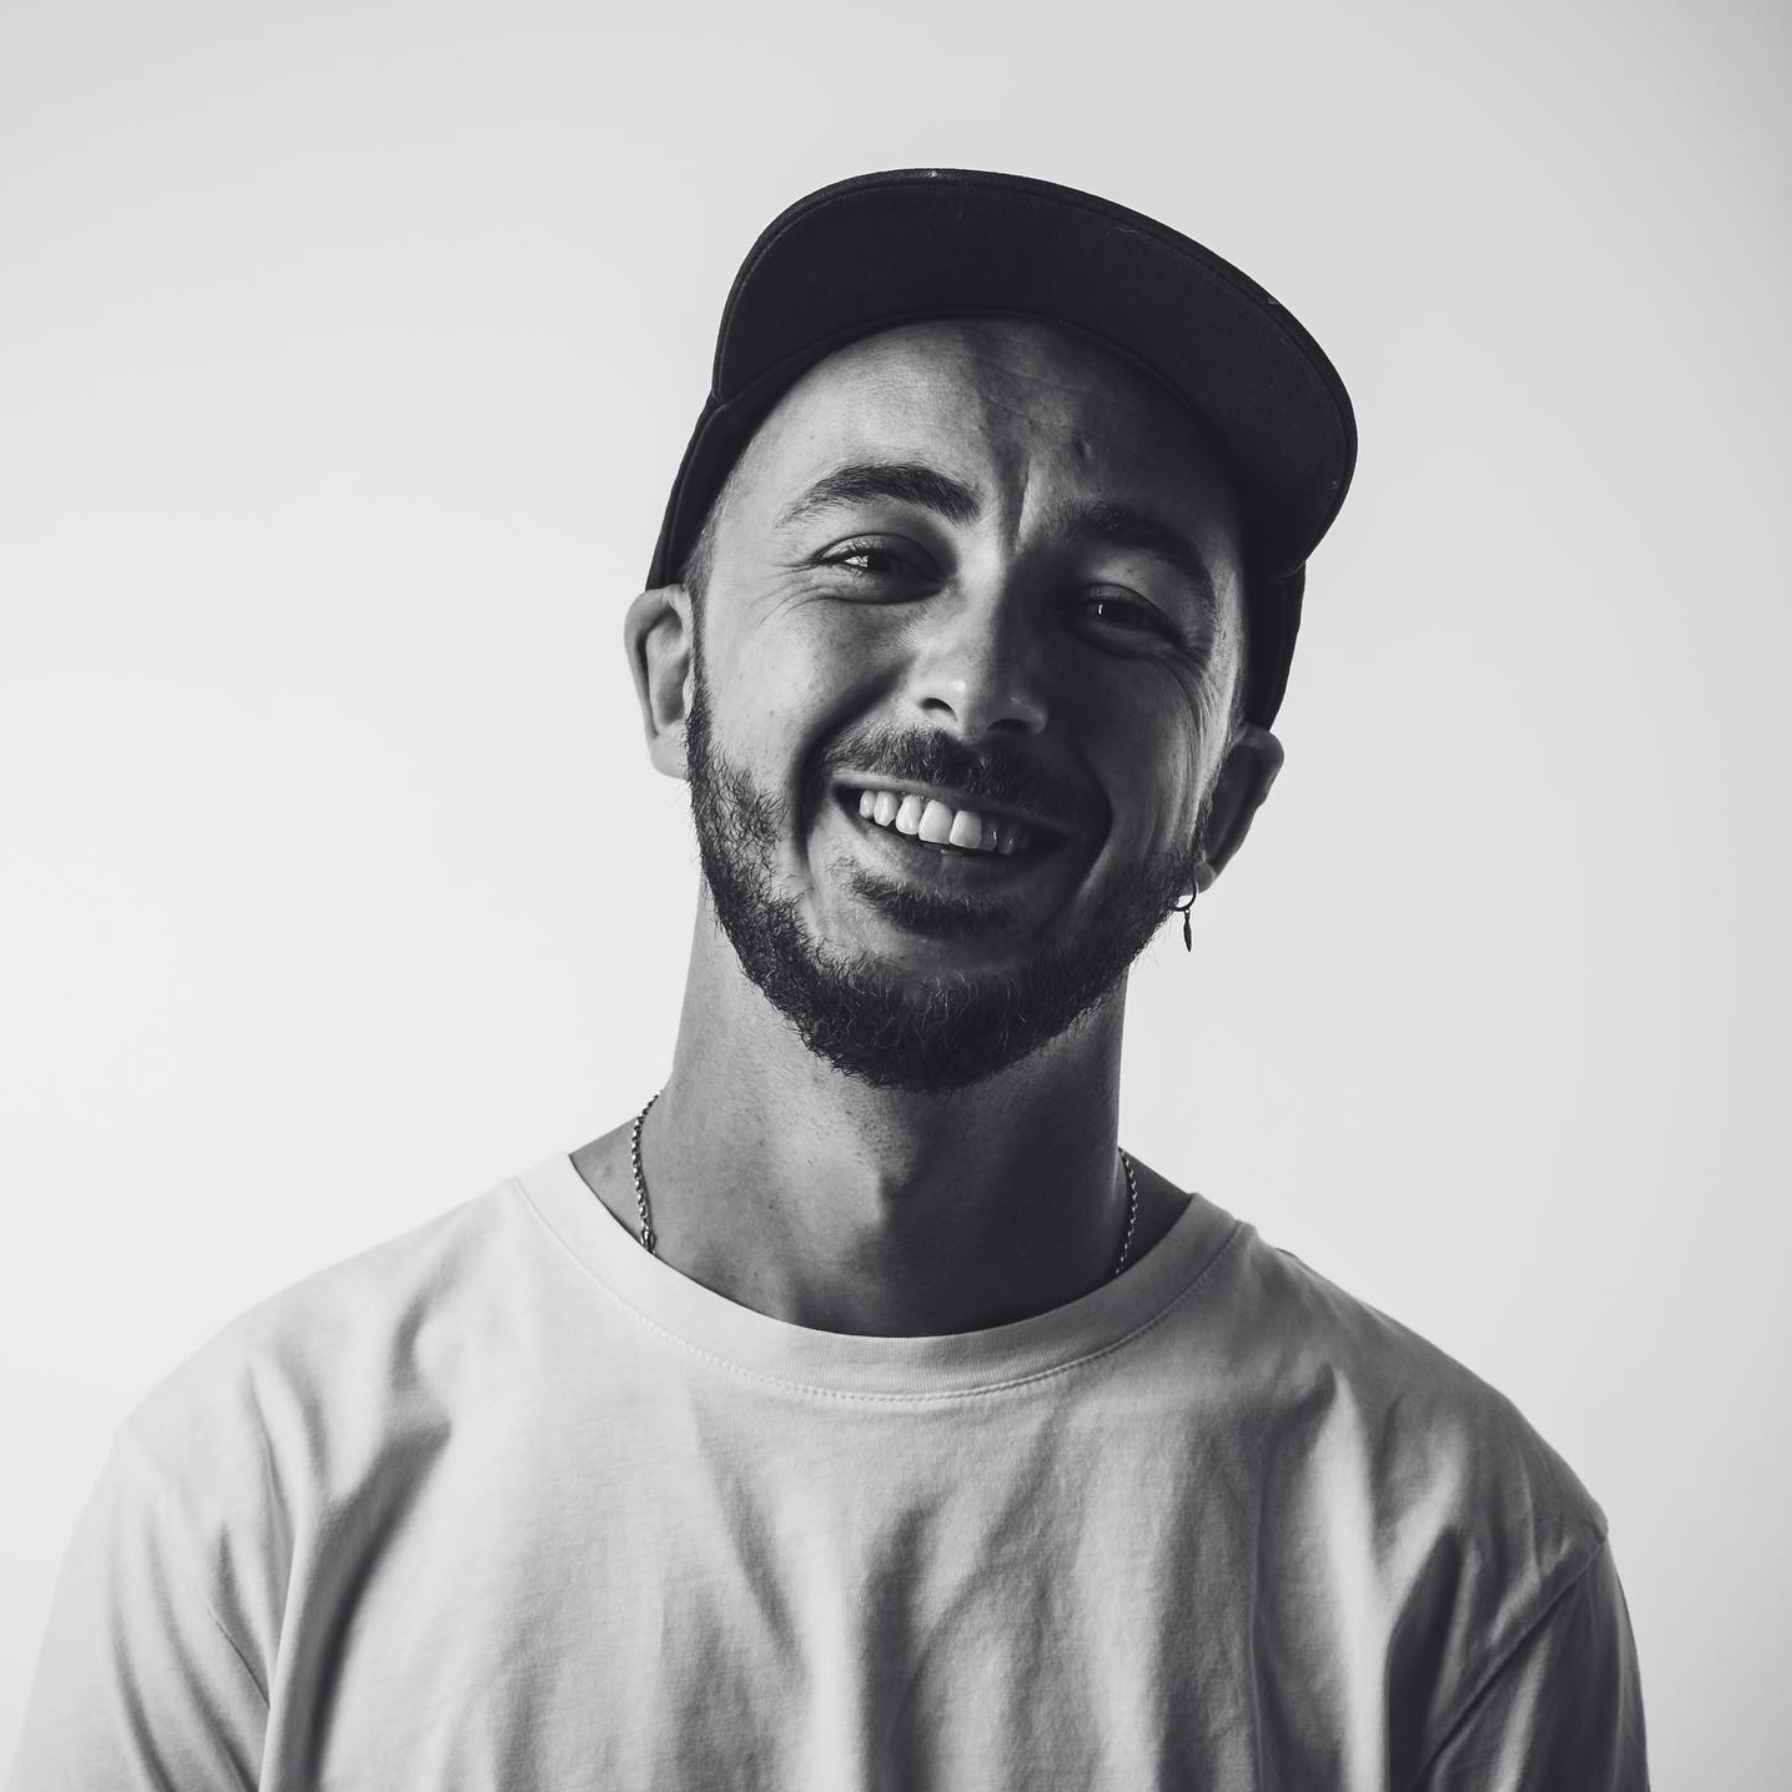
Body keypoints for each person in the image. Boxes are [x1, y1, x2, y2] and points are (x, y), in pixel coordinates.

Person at [10, 169, 1648, 1789]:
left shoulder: (1463, 1561)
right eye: (875, 558)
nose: (983, 684)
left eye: (1118, 610)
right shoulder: (257, 1498)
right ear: (676, 679)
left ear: (1220, 807)